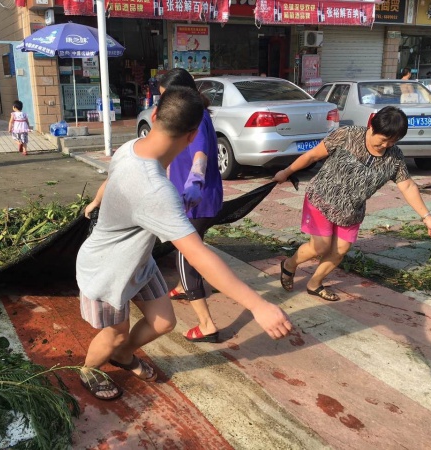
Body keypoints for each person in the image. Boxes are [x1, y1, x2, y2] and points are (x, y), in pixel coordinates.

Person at [77, 87, 293, 401]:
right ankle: (89, 370)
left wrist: (175, 200)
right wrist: (258, 305)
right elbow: (199, 256)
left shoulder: (131, 147)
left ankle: (122, 356)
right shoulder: (155, 189)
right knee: (114, 334)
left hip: (137, 260)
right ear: (192, 136)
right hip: (108, 270)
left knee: (164, 322)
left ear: (154, 116)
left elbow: (119, 184)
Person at [273, 106, 431, 301]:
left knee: (340, 250)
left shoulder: (394, 158)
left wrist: (427, 217)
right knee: (320, 247)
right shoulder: (348, 135)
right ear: (372, 126)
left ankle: (314, 283)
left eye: (392, 141)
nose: (386, 145)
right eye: (384, 139)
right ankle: (289, 265)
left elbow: (409, 186)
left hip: (351, 211)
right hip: (322, 198)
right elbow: (313, 155)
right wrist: (286, 172)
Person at [159, 68, 223, 343]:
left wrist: (194, 182)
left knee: (185, 256)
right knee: (191, 248)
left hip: (197, 199)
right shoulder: (187, 114)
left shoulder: (198, 117)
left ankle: (206, 324)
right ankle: (182, 286)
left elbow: (200, 152)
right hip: (190, 198)